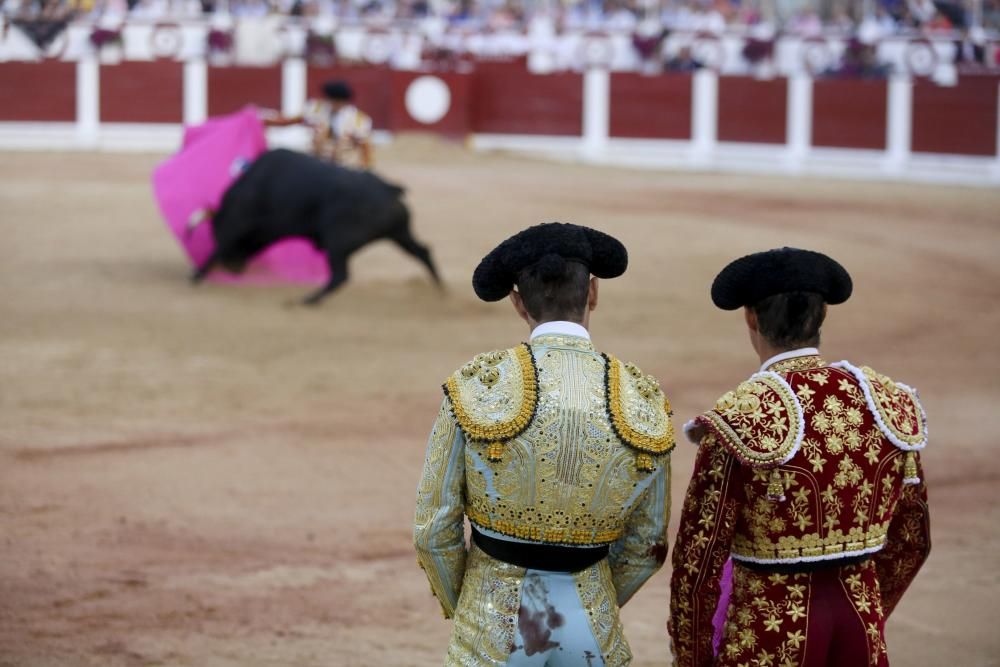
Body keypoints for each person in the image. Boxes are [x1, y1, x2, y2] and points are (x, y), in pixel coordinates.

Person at [414, 222, 675, 666]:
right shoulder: (642, 398)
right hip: (593, 622)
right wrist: (597, 597)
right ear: (593, 292)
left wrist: (472, 605)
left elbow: (433, 532)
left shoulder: (477, 387)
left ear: (517, 301)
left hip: (492, 618)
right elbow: (647, 543)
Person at [668, 247, 931, 667]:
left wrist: (693, 657)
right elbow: (912, 539)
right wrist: (868, 605)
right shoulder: (887, 404)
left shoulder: (740, 417)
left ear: (751, 317)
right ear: (823, 313)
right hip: (858, 619)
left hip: (769, 627)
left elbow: (697, 565)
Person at [263, 79, 373, 169]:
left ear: (345, 102)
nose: (335, 105)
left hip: (344, 167)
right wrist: (263, 122)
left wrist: (365, 169)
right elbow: (289, 121)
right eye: (332, 100)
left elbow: (365, 147)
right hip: (317, 163)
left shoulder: (359, 119)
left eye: (339, 101)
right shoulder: (316, 109)